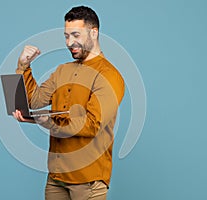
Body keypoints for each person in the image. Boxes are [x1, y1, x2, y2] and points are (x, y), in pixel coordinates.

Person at [13, 6, 125, 200]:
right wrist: (24, 65)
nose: (69, 42)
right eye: (66, 36)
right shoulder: (62, 71)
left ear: (93, 33)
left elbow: (91, 125)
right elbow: (34, 100)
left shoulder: (109, 76)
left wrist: (44, 121)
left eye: (75, 35)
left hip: (87, 180)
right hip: (56, 178)